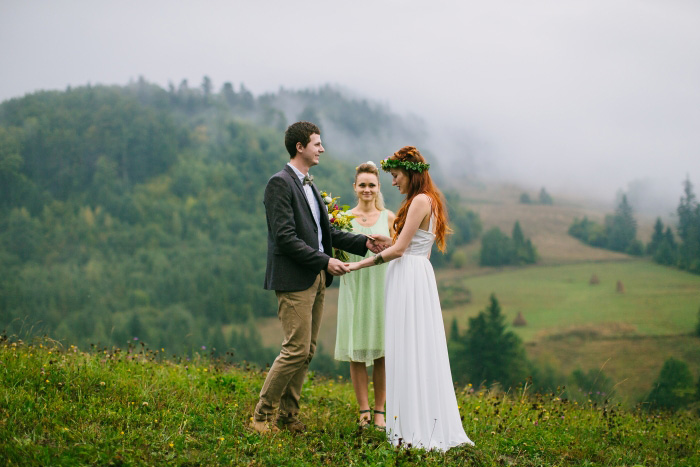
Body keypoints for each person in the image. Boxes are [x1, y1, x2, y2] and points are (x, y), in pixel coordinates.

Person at [251, 121, 389, 434]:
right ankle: (261, 417)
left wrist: (365, 242)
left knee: (307, 351)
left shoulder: (309, 185)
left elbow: (325, 233)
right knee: (295, 350)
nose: (322, 149)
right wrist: (326, 261)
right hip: (294, 279)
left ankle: (288, 417)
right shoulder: (279, 183)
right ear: (300, 147)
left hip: (315, 278)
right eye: (317, 143)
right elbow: (285, 237)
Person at [347, 146, 474, 451]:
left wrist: (358, 264)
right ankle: (408, 419)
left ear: (410, 173)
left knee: (410, 344)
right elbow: (408, 244)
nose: (393, 182)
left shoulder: (420, 200)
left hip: (410, 276)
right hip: (412, 274)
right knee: (408, 345)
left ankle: (415, 425)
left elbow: (403, 250)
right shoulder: (424, 199)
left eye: (395, 175)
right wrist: (385, 242)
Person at [334, 161, 395, 429]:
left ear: (378, 187)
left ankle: (380, 409)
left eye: (372, 185)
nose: (367, 189)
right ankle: (363, 410)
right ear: (354, 187)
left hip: (382, 285)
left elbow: (399, 249)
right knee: (356, 349)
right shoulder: (344, 220)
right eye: (362, 185)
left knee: (383, 350)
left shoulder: (390, 217)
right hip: (355, 286)